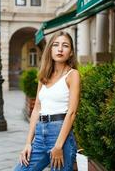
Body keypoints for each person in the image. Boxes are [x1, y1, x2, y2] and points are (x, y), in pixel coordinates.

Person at [14, 31, 80, 171]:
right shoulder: (44, 76)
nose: (60, 49)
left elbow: (72, 112)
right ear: (50, 49)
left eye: (65, 45)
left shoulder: (72, 75)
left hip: (60, 135)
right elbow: (37, 109)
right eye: (56, 45)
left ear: (71, 52)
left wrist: (58, 146)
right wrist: (28, 143)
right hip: (40, 135)